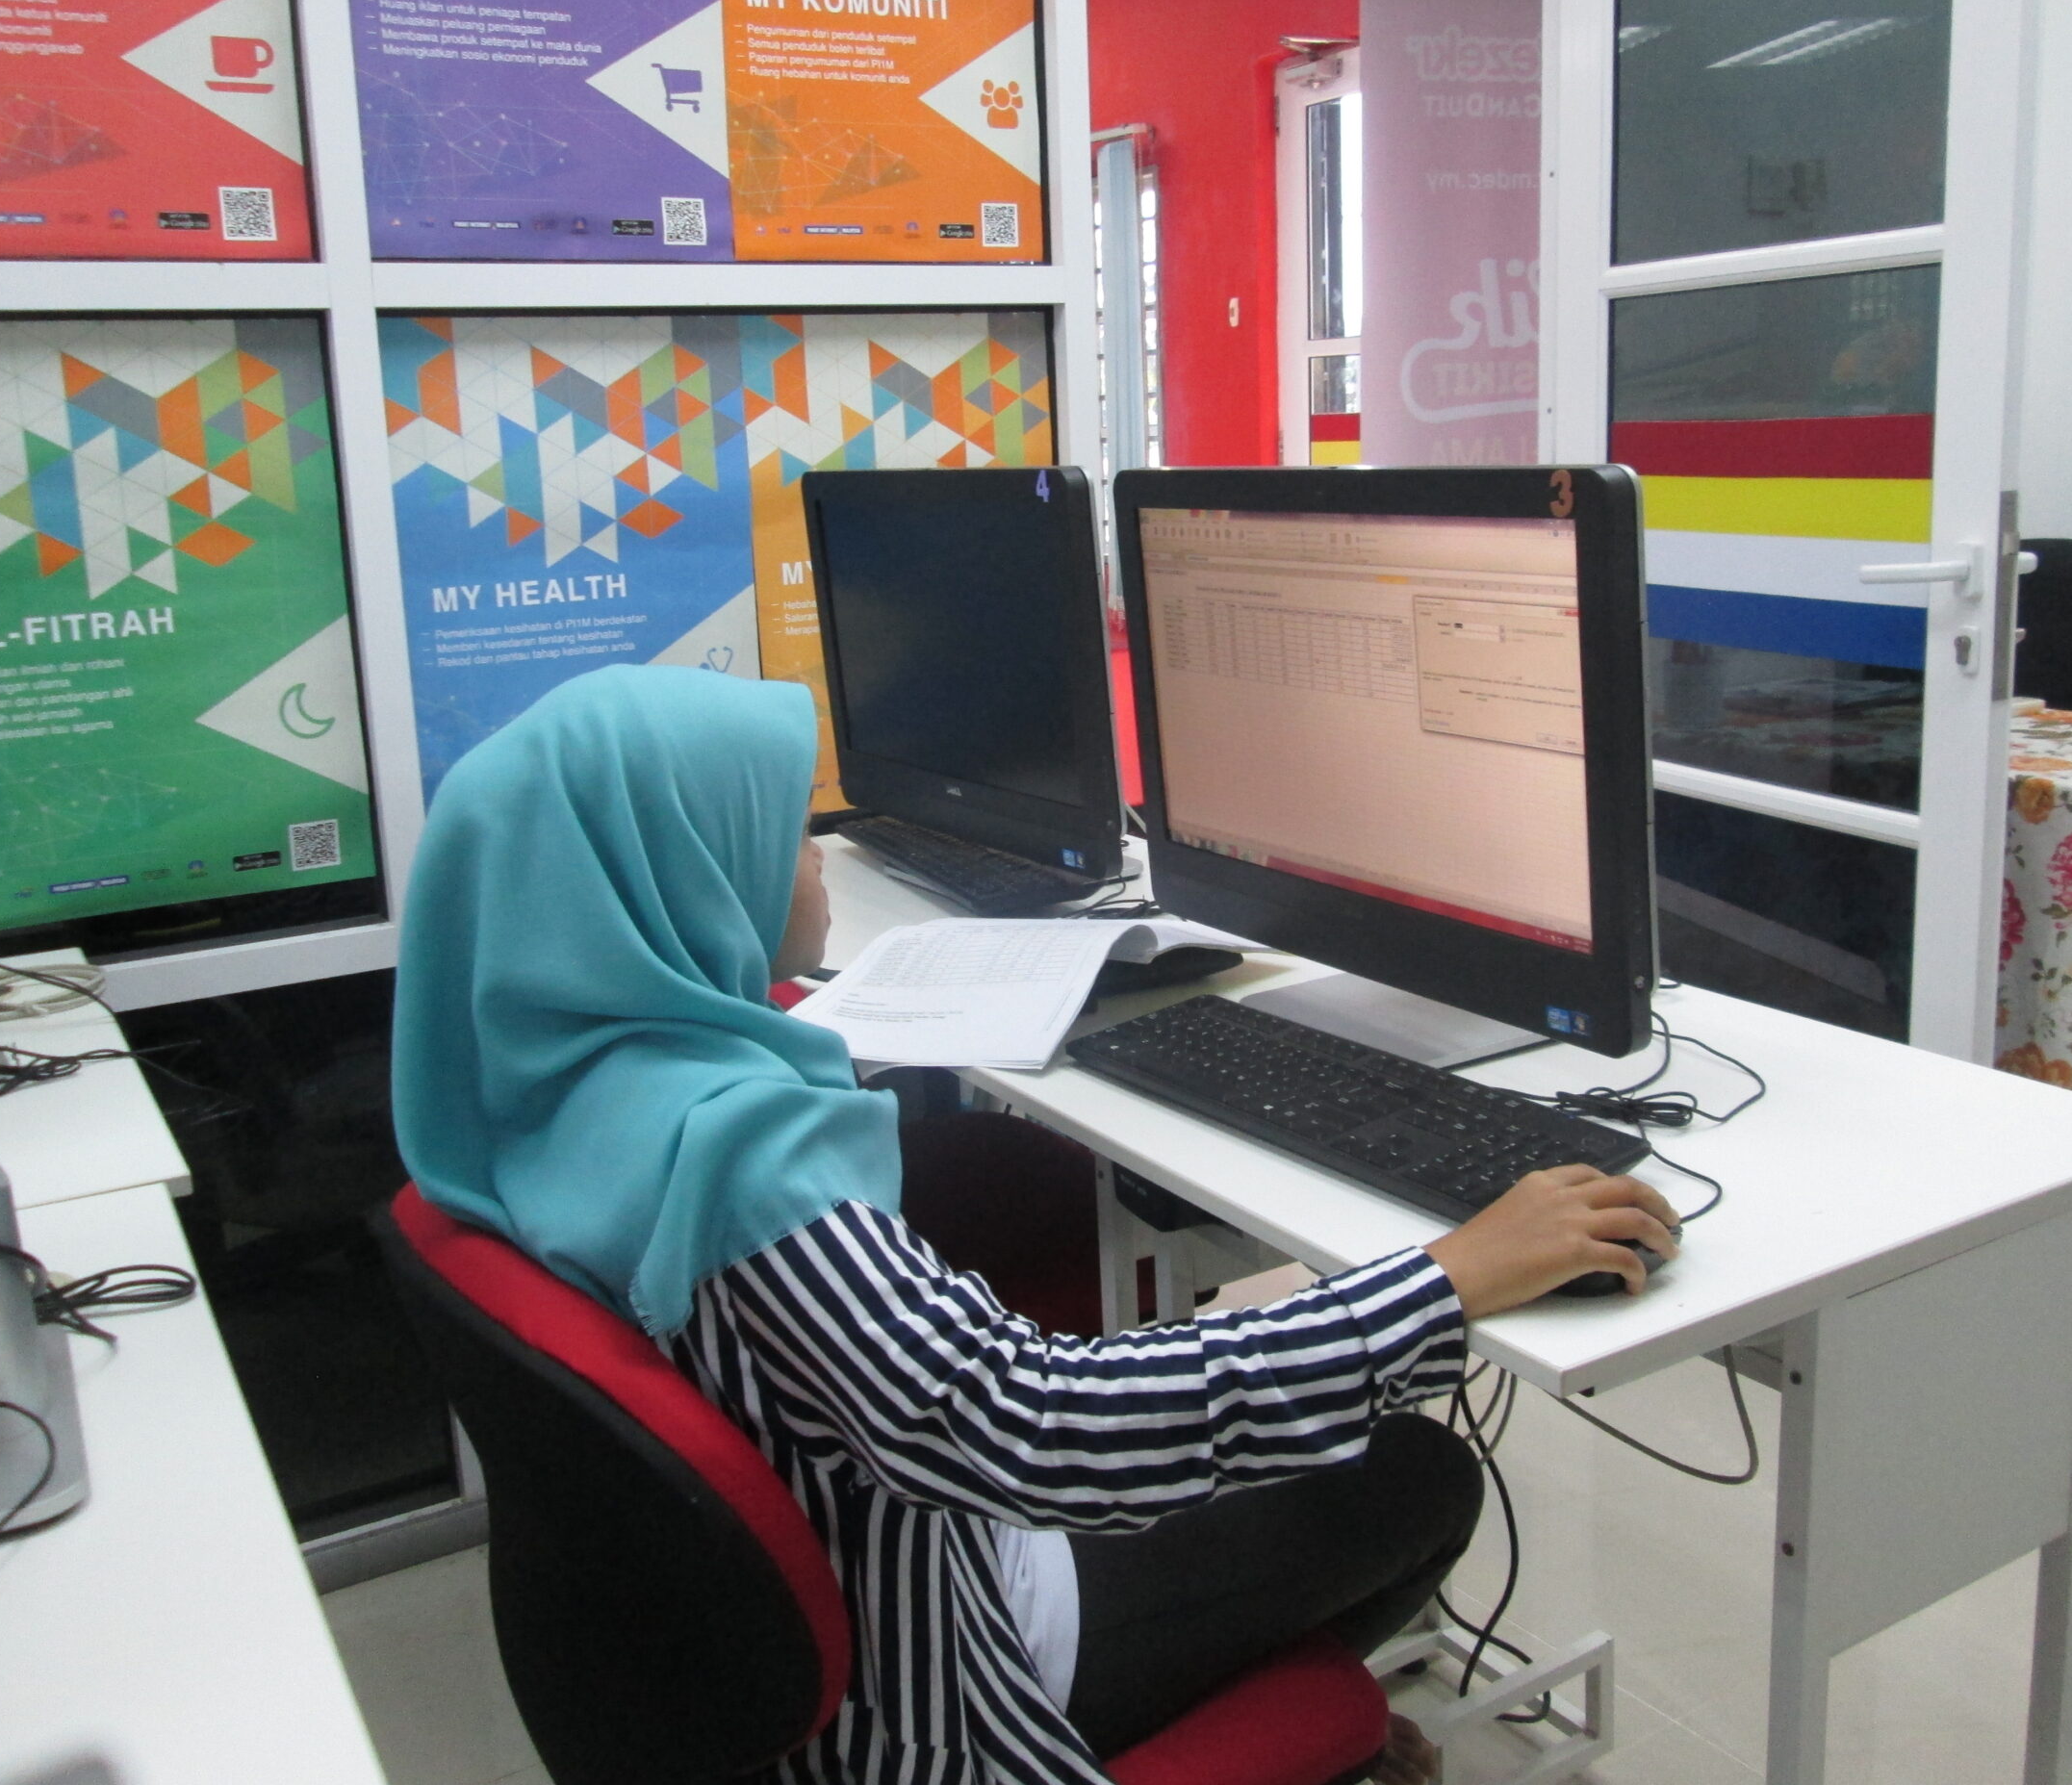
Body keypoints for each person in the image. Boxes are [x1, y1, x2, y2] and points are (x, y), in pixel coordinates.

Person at [394, 666, 1679, 1785]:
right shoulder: (739, 1166)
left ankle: (1266, 1694)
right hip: (934, 1672)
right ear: (682, 874)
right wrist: (1443, 1280)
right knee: (1421, 1475)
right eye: (787, 832)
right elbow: (1030, 1426)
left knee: (1274, 1392)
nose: (819, 858)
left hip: (775, 1617)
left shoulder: (548, 1083)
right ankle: (1244, 1717)